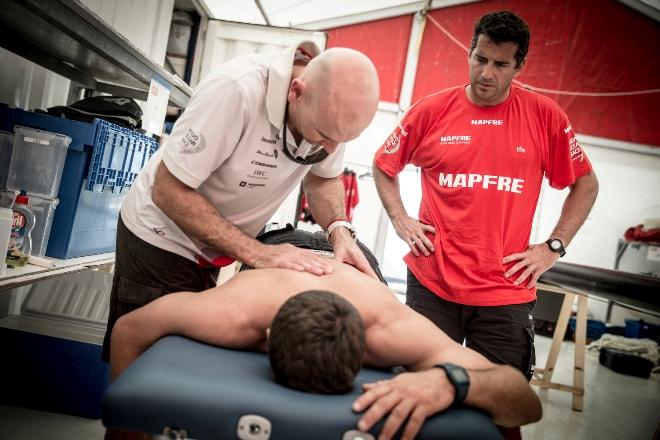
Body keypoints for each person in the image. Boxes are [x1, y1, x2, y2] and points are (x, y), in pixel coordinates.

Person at [101, 42, 381, 362]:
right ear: (296, 92)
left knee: (186, 354)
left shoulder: (332, 114)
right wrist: (258, 253)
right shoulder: (235, 91)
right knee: (149, 355)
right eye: (323, 135)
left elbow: (323, 177)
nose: (331, 150)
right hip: (162, 236)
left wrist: (339, 231)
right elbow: (168, 191)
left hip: (215, 246)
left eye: (342, 140)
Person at [373, 10, 599, 385]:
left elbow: (586, 184)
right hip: (433, 283)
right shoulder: (431, 111)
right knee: (418, 391)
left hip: (505, 291)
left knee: (499, 403)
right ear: (470, 53)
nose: (486, 73)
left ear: (519, 65)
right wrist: (400, 219)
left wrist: (554, 247)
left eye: (500, 64)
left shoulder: (545, 116)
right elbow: (384, 165)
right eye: (480, 59)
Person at [111, 258, 542, 440]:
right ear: (263, 338)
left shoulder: (392, 329)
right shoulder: (233, 316)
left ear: (368, 358)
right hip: (278, 251)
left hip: (352, 267)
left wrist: (450, 382)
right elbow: (128, 330)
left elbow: (525, 403)